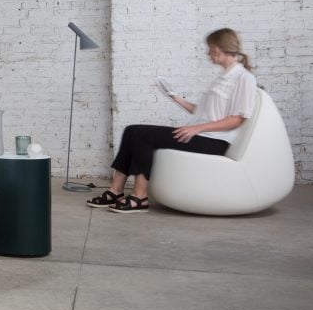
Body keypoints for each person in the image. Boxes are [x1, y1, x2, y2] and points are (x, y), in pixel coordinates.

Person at [87, 28, 257, 213]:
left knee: (143, 135)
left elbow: (238, 119)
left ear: (220, 48)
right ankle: (115, 191)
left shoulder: (244, 78)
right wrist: (173, 96)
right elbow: (201, 111)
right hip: (202, 134)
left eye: (210, 48)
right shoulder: (222, 77)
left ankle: (140, 196)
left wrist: (196, 129)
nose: (208, 53)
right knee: (131, 130)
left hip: (215, 142)